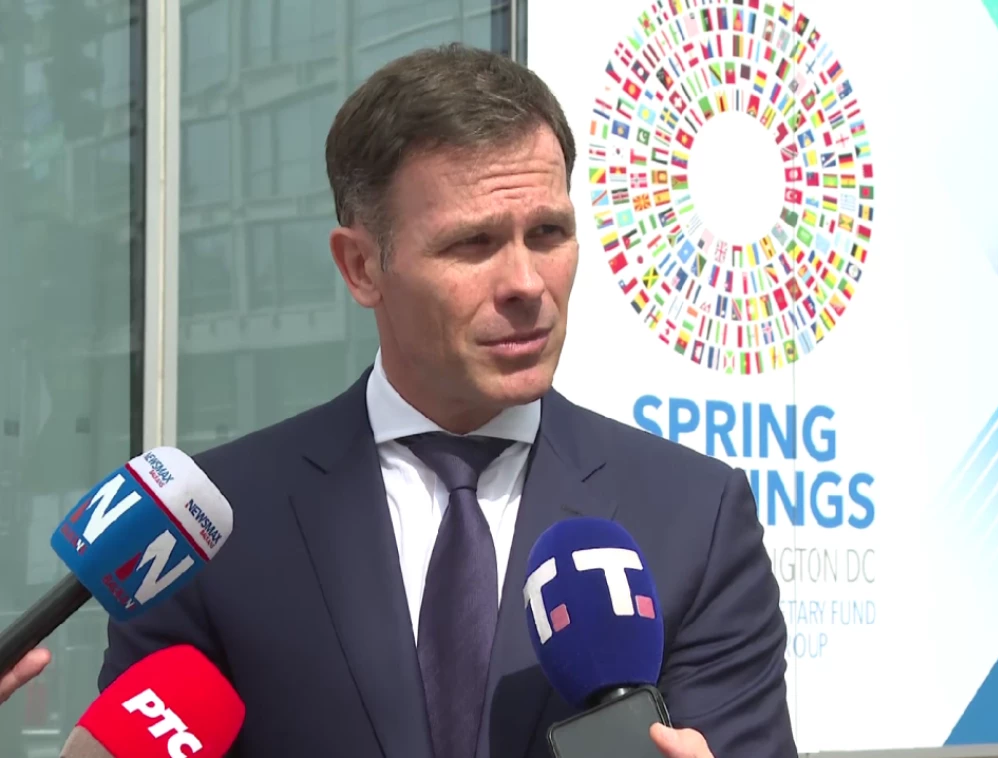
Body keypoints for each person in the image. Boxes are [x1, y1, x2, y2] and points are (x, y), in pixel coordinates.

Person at [98, 44, 797, 758]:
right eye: (474, 243)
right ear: (361, 266)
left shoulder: (694, 519)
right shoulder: (210, 529)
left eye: (548, 233)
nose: (527, 283)